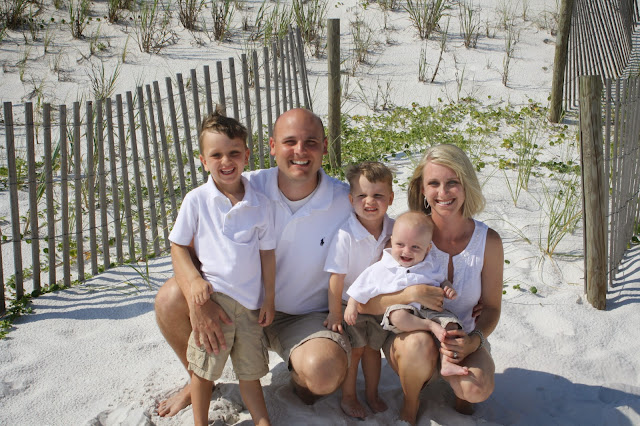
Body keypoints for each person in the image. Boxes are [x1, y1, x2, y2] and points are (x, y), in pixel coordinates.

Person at [155, 108, 359, 416]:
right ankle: (199, 379)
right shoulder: (242, 186)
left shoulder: (346, 201)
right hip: (236, 305)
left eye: (311, 142)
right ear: (272, 146)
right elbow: (184, 249)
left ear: (325, 146)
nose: (300, 151)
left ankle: (301, 381)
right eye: (289, 142)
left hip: (302, 318)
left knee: (322, 372)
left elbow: (391, 241)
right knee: (170, 297)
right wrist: (198, 302)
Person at [359, 144, 503, 425]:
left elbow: (492, 308)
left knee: (476, 388)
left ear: (466, 184)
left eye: (452, 182)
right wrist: (409, 294)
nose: (443, 192)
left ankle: (461, 398)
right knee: (418, 346)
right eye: (434, 184)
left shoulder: (489, 241)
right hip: (412, 338)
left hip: (463, 336)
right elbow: (367, 302)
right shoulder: (406, 234)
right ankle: (410, 405)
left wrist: (473, 341)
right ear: (422, 190)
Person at [168, 111, 275, 425]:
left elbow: (267, 254)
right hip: (214, 303)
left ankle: (262, 421)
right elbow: (178, 245)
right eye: (216, 155)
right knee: (204, 371)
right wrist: (194, 285)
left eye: (234, 153)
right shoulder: (196, 200)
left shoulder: (260, 203)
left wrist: (269, 298)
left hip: (251, 306)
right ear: (203, 161)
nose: (226, 161)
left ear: (247, 155)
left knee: (250, 373)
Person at [345, 211, 469, 380]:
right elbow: (361, 286)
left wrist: (448, 288)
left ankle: (447, 362)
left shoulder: (430, 264)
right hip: (404, 311)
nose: (406, 251)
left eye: (415, 247)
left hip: (432, 310)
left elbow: (442, 280)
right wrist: (352, 305)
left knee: (451, 326)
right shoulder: (384, 266)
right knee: (396, 316)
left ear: (428, 248)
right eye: (400, 244)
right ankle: (429, 326)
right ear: (392, 242)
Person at [323, 161, 395, 419]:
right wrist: (334, 313)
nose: (370, 201)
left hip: (378, 305)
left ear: (391, 198)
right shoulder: (346, 234)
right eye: (362, 195)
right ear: (351, 199)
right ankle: (349, 396)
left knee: (372, 350)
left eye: (378, 195)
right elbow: (336, 278)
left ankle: (372, 394)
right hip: (348, 304)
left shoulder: (394, 229)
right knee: (355, 351)